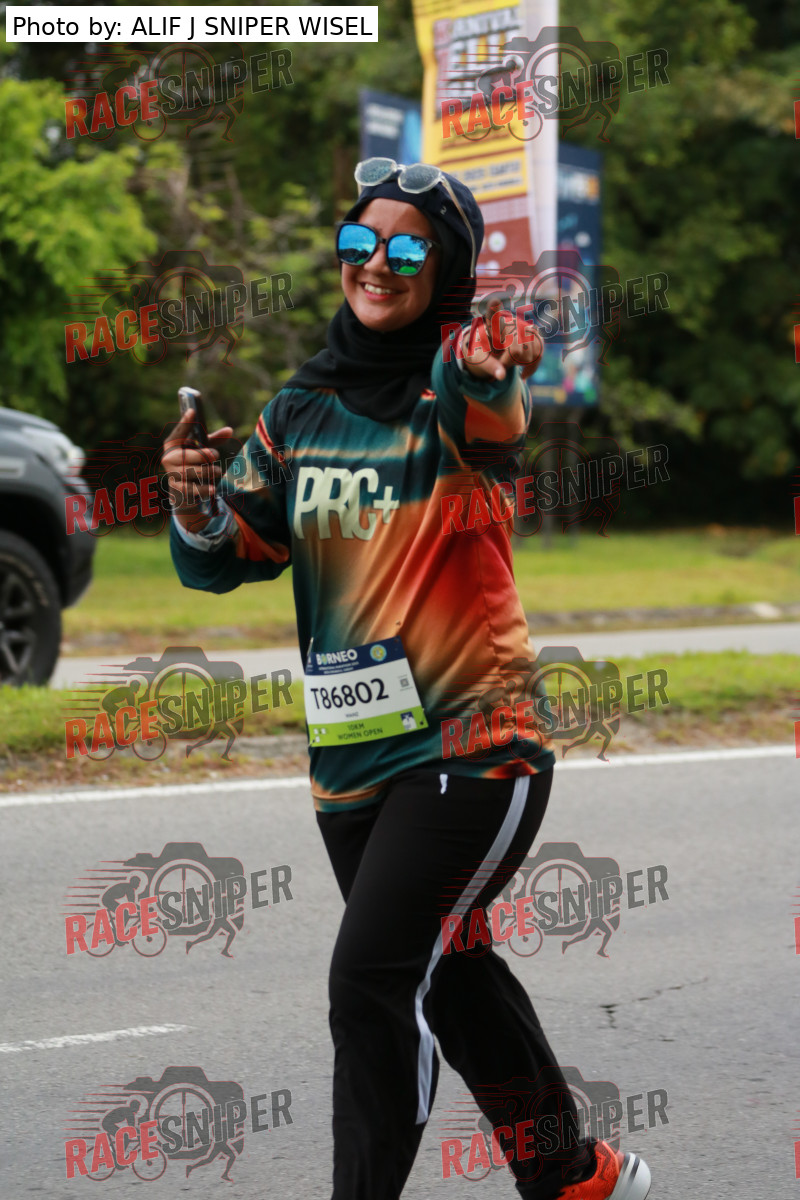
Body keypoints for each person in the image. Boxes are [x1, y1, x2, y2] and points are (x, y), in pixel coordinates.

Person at [162, 158, 651, 1200]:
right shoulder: (300, 406)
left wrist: (488, 356)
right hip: (351, 762)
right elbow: (230, 554)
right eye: (358, 243)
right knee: (453, 971)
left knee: (370, 983)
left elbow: (489, 400)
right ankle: (571, 1176)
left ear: (448, 273)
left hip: (473, 745)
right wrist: (195, 503)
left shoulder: (454, 387)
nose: (374, 265)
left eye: (405, 250)